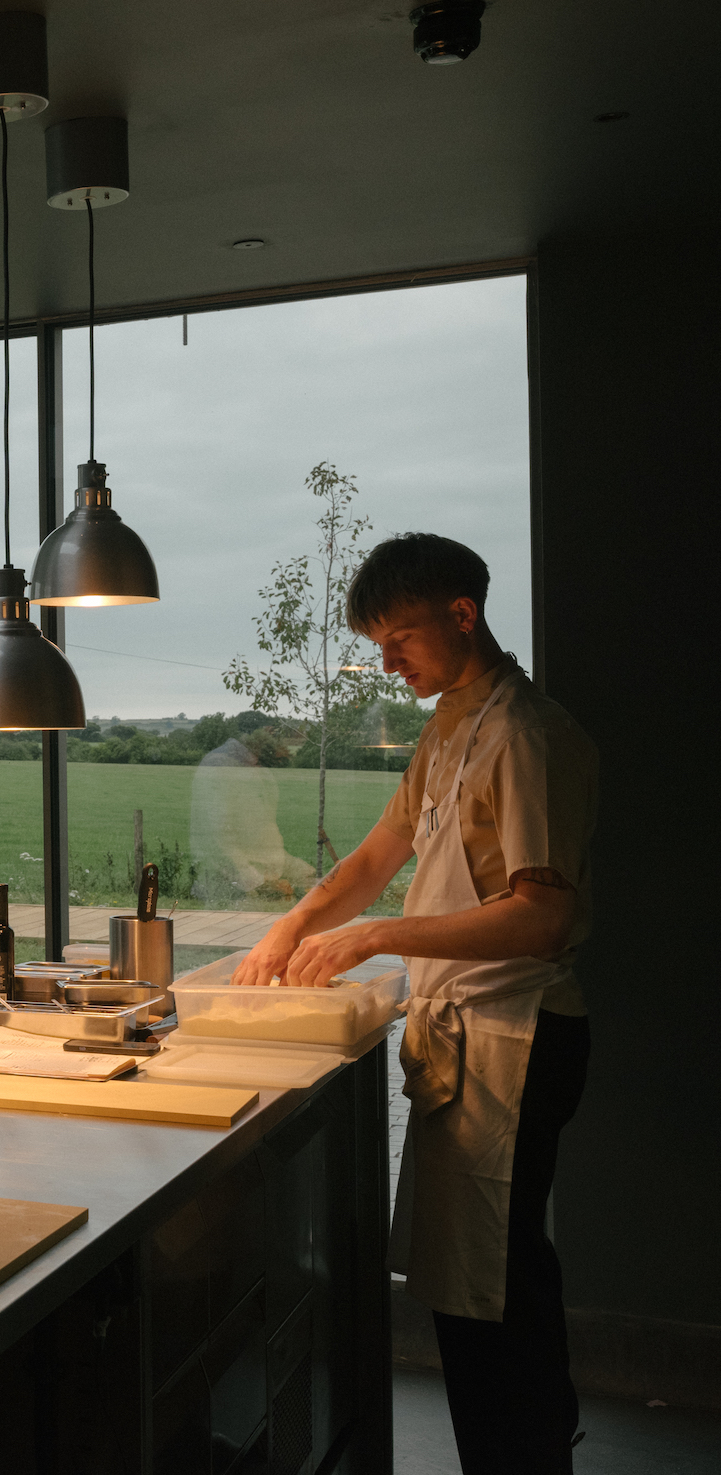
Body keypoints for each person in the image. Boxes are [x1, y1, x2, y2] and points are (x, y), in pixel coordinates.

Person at [233, 533, 595, 1475]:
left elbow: (543, 914)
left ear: (462, 614)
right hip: (470, 1038)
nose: (387, 661)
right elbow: (373, 859)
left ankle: (526, 1458)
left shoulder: (525, 733)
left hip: (519, 1036)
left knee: (497, 1290)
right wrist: (293, 927)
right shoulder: (446, 730)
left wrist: (375, 937)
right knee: (471, 1287)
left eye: (399, 638)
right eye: (377, 643)